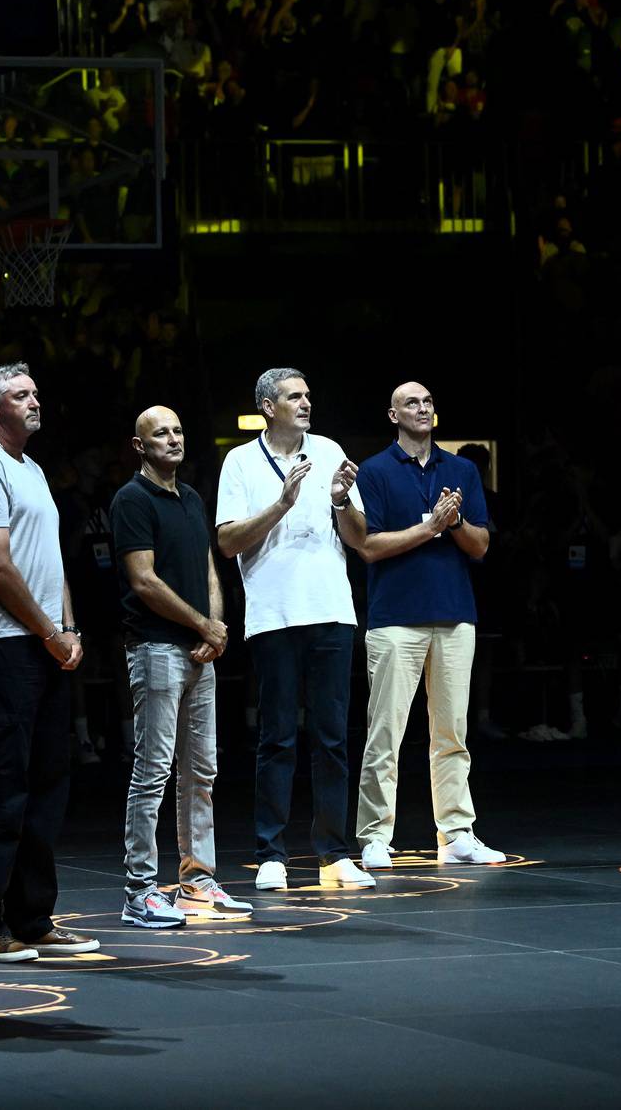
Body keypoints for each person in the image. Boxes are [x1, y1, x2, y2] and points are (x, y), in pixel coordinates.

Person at [0, 363, 98, 962]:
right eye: (21, 395)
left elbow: (49, 559)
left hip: (40, 642)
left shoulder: (30, 468)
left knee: (46, 788)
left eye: (36, 392)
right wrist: (49, 633)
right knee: (3, 790)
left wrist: (67, 628)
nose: (36, 401)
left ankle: (33, 919)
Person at [215, 368, 375, 892]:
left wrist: (336, 500)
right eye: (294, 396)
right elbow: (228, 543)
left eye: (308, 395)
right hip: (274, 615)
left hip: (331, 610)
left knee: (332, 738)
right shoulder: (239, 462)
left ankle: (335, 852)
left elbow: (358, 539)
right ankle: (271, 853)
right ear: (267, 405)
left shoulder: (330, 450)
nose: (306, 403)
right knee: (277, 737)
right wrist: (282, 503)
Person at [343, 381, 507, 871]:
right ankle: (374, 836)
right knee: (385, 732)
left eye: (428, 402)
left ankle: (456, 832)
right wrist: (430, 527)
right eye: (411, 403)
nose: (422, 408)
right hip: (394, 619)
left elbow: (479, 546)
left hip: (455, 615)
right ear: (393, 415)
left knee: (452, 732)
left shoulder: (461, 470)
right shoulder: (372, 471)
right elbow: (368, 547)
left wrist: (453, 523)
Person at [112, 405, 251, 927]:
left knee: (202, 771)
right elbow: (144, 581)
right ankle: (140, 890)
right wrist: (202, 627)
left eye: (177, 429)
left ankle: (197, 880)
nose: (172, 438)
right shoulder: (132, 499)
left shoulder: (190, 497)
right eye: (160, 433)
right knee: (152, 770)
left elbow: (209, 569)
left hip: (197, 651)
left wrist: (213, 629)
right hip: (156, 648)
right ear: (139, 445)